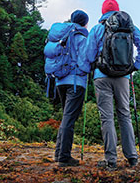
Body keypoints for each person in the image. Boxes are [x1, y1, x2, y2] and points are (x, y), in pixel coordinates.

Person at [85, 0, 140, 169]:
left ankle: (111, 160)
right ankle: (132, 157)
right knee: (125, 115)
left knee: (107, 118)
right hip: (123, 77)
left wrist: (92, 66)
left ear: (102, 11)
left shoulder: (98, 29)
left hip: (102, 76)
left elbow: (89, 55)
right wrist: (135, 65)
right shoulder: (129, 28)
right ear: (118, 11)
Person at [54, 10, 90, 167]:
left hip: (60, 81)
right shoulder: (82, 39)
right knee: (69, 118)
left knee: (66, 117)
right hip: (75, 82)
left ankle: (58, 153)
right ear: (84, 23)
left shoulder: (62, 37)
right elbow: (85, 60)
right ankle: (64, 157)